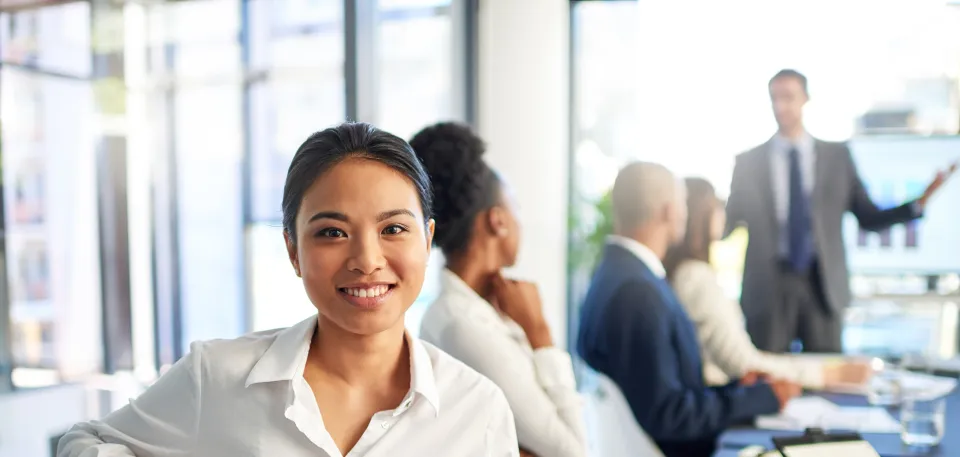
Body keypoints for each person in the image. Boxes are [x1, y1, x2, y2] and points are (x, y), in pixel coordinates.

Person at [57, 123, 519, 457]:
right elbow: (85, 441)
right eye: (332, 233)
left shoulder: (477, 410)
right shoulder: (217, 377)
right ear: (293, 251)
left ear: (427, 239)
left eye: (393, 228)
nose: (367, 260)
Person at [577, 162, 801, 457]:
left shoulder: (617, 274)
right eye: (683, 202)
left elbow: (663, 391)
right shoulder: (638, 292)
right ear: (669, 211)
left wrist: (737, 390)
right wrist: (758, 399)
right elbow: (668, 415)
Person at [727, 69, 957, 353]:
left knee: (830, 379)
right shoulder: (748, 163)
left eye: (788, 97)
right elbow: (727, 222)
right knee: (767, 380)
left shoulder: (837, 157)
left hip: (822, 289)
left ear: (805, 99)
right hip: (768, 288)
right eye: (774, 98)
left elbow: (869, 217)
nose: (780, 106)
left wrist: (919, 202)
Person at [412, 122, 587, 457]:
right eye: (516, 206)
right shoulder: (461, 324)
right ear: (498, 221)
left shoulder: (481, 309)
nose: (521, 219)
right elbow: (573, 450)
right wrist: (539, 332)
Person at [665, 177, 873, 389]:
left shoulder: (682, 274)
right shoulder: (696, 279)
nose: (723, 213)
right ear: (700, 215)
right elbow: (742, 363)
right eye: (716, 206)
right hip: (724, 398)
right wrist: (828, 374)